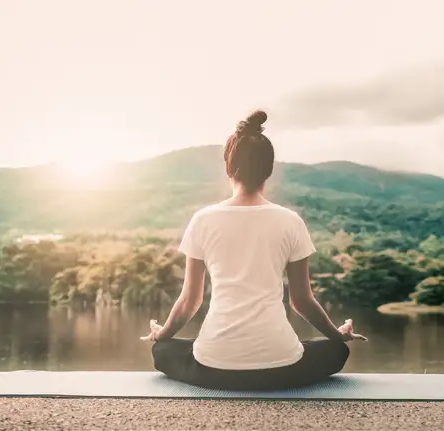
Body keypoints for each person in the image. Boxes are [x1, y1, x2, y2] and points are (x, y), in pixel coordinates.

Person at [141, 110, 367, 391]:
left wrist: (161, 334)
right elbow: (301, 301)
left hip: (213, 368)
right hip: (280, 368)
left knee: (162, 351)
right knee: (336, 351)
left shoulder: (203, 219)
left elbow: (190, 300)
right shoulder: (291, 221)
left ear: (228, 167)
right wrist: (338, 335)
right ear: (268, 170)